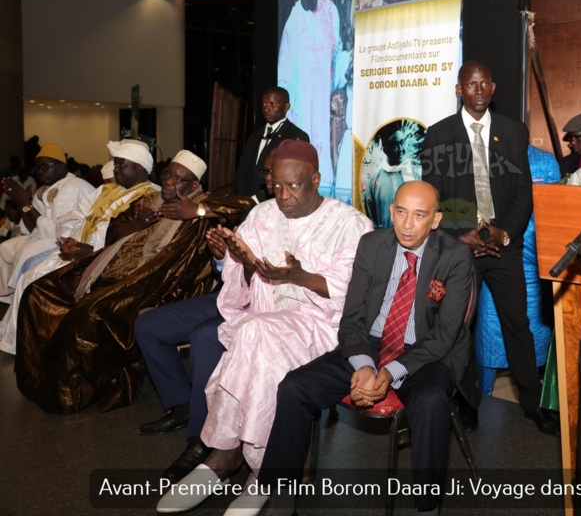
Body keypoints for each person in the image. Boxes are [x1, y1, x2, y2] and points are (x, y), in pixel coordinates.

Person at [156, 139, 373, 514]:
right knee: (255, 334)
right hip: (264, 315)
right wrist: (233, 258)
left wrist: (301, 276)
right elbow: (241, 276)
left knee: (253, 334)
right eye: (276, 186)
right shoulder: (262, 215)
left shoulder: (350, 223)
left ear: (316, 179)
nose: (283, 196)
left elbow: (353, 290)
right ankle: (259, 466)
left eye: (294, 186)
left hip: (324, 324)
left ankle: (229, 456)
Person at [249, 181, 478, 516]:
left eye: (419, 215)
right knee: (295, 387)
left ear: (436, 219)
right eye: (401, 212)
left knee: (431, 402)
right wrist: (365, 367)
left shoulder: (455, 256)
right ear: (391, 211)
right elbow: (352, 318)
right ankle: (282, 497)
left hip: (426, 354)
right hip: (370, 344)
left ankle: (428, 507)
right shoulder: (372, 245)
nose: (408, 224)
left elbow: (444, 335)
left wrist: (388, 373)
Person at [14, 150, 251, 413]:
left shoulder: (204, 209)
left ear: (194, 185)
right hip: (112, 267)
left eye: (179, 179)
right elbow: (114, 232)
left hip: (156, 283)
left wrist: (196, 209)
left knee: (89, 311)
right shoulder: (151, 199)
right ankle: (40, 379)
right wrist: (138, 223)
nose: (170, 183)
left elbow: (247, 205)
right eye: (168, 175)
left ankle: (73, 393)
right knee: (39, 292)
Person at [421, 60, 558, 436]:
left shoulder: (514, 132)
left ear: (493, 88)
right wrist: (458, 235)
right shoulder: (438, 134)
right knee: (457, 327)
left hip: (503, 247)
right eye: (471, 84)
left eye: (485, 84)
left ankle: (533, 406)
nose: (478, 91)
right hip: (458, 248)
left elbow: (522, 192)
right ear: (459, 89)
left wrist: (504, 233)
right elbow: (432, 195)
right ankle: (465, 403)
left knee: (519, 325)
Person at [136, 149, 277, 483]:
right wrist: (222, 258)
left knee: (205, 335)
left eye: (279, 175)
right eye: (269, 174)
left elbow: (239, 208)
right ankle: (181, 404)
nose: (272, 182)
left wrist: (199, 210)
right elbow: (231, 266)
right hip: (231, 294)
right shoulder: (262, 214)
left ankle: (202, 439)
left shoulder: (319, 219)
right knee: (148, 325)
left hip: (268, 305)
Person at [0, 139, 159, 355]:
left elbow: (132, 239)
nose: (116, 169)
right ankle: (14, 339)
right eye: (116, 164)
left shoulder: (151, 196)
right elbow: (76, 215)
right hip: (76, 250)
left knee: (34, 283)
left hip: (101, 259)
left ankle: (34, 344)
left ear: (139, 167)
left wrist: (89, 250)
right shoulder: (105, 190)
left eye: (122, 165)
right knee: (28, 277)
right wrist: (71, 238)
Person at [277, 0, 348, 196]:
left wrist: (349, 62)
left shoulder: (331, 10)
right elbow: (283, 80)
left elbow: (337, 58)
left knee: (327, 180)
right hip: (303, 119)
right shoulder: (293, 24)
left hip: (326, 115)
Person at [0, 143, 96, 312]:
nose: (40, 172)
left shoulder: (72, 186)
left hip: (73, 245)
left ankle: (20, 312)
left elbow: (59, 234)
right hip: (46, 238)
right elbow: (30, 229)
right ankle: (8, 303)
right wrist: (23, 204)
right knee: (3, 249)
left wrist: (25, 203)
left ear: (62, 166)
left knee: (27, 256)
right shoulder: (44, 190)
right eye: (37, 168)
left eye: (45, 166)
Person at [234, 87, 309, 203]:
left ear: (286, 107)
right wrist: (241, 201)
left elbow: (292, 179)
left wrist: (255, 200)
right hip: (245, 206)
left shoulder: (297, 136)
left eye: (272, 104)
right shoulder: (253, 137)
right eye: (264, 104)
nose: (266, 109)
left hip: (276, 206)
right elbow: (241, 172)